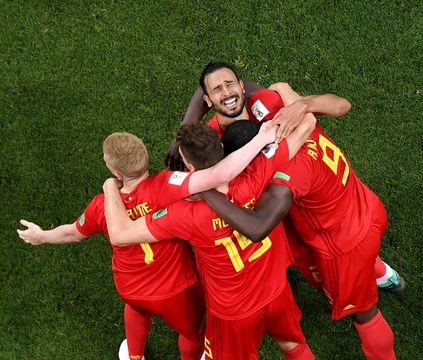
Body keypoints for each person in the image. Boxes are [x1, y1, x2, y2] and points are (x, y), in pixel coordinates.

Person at [102, 120, 332, 360]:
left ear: (186, 163)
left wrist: (108, 188)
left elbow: (120, 233)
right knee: (295, 347)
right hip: (275, 292)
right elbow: (305, 125)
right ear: (222, 149)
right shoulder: (257, 175)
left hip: (233, 313)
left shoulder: (182, 213)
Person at [16, 128, 276, 360]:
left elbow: (72, 233)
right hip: (176, 291)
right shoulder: (167, 185)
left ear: (117, 173)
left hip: (131, 288)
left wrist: (42, 236)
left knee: (137, 310)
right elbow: (215, 177)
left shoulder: (101, 206)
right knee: (191, 332)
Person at [200, 86, 414, 360]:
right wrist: (300, 103)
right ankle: (382, 274)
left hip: (345, 248)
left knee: (364, 313)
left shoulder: (283, 180)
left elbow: (258, 226)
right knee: (363, 256)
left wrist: (205, 189)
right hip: (364, 207)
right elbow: (338, 102)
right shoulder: (294, 118)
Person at [170, 61, 406, 294]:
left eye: (230, 84)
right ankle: (378, 272)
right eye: (217, 89)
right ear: (208, 101)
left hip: (322, 215)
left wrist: (302, 104)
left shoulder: (270, 106)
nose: (227, 92)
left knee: (343, 278)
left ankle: (369, 274)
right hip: (307, 208)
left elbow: (340, 106)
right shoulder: (213, 145)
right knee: (328, 258)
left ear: (241, 86)